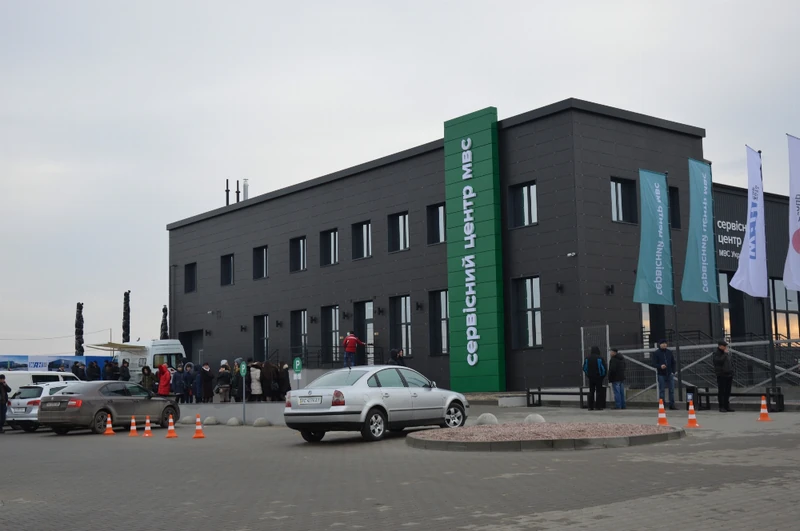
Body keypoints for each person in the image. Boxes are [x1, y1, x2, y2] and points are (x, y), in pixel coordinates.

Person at [653, 340, 678, 410]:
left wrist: (673, 371)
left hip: (670, 374)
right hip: (661, 374)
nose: (664, 345)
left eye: (665, 343)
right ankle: (662, 405)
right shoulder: (656, 353)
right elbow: (654, 363)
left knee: (671, 390)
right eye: (663, 343)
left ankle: (672, 405)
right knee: (662, 390)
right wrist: (660, 366)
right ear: (660, 345)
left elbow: (673, 362)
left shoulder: (669, 352)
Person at [582, 346, 607, 411]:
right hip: (599, 377)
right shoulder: (600, 358)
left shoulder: (587, 358)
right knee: (599, 391)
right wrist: (602, 376)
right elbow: (604, 368)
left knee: (591, 391)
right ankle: (598, 406)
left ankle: (590, 407)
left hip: (591, 377)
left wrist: (588, 375)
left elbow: (584, 368)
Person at [712, 341, 734, 412]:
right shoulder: (716, 353)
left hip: (729, 374)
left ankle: (727, 406)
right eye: (724, 346)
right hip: (721, 374)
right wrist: (725, 354)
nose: (725, 347)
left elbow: (730, 362)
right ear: (720, 346)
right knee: (722, 391)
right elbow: (719, 361)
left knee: (727, 391)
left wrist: (732, 371)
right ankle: (721, 406)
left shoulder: (726, 354)